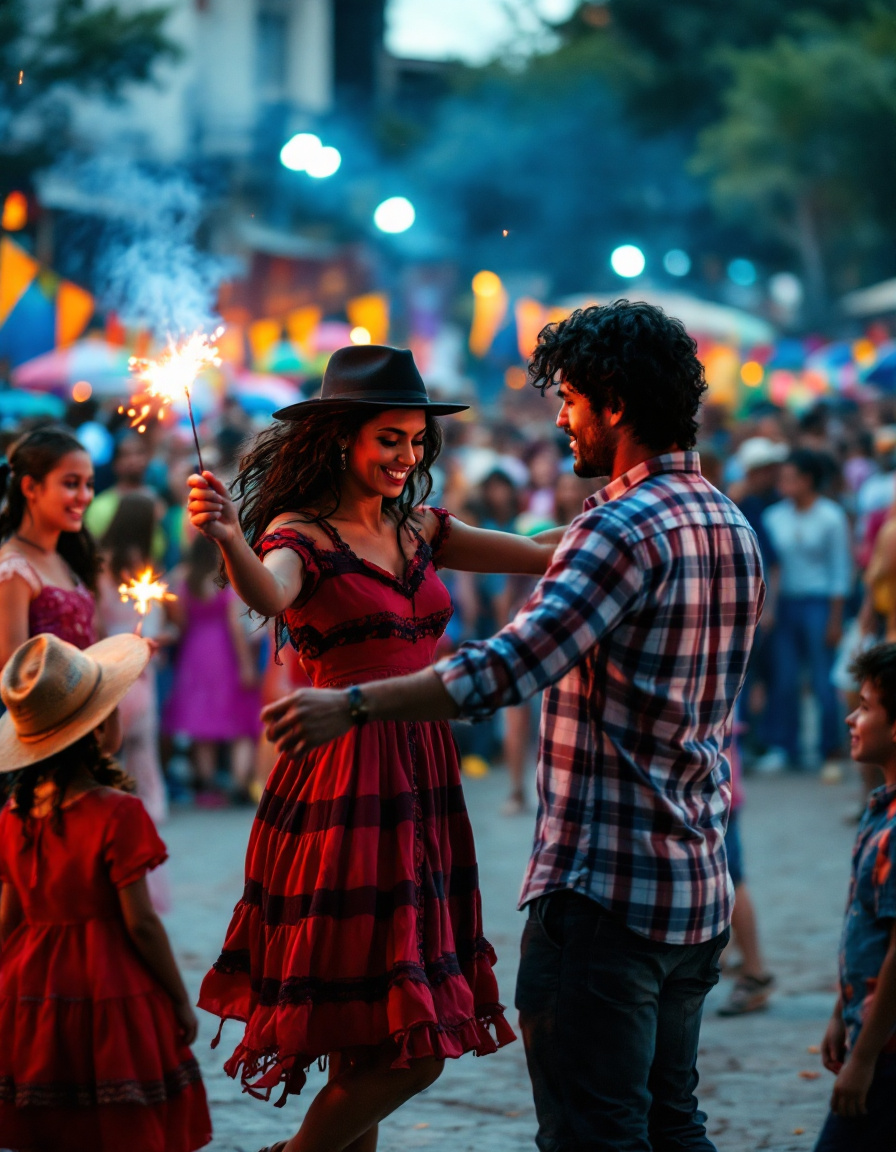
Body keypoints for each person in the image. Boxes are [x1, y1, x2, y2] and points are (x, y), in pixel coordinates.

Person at [259, 302, 766, 1152]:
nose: (560, 418)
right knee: (672, 1122)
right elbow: (271, 590)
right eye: (392, 437)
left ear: (610, 402)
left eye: (567, 399)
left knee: (593, 1133)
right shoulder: (723, 519)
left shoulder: (620, 526)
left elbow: (507, 668)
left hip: (605, 889)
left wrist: (351, 704)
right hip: (695, 883)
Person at [186, 344, 565, 1152]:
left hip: (422, 778)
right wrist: (228, 538)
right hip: (342, 786)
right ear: (342, 439)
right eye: (388, 438)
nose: (407, 455)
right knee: (412, 1046)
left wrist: (639, 503)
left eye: (415, 439)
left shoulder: (422, 527)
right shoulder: (300, 535)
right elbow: (271, 593)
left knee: (373, 1033)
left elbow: (541, 552)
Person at [0, 631, 212, 1152]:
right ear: (98, 730)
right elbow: (140, 921)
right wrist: (180, 999)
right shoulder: (117, 813)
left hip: (32, 990)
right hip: (110, 987)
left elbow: (8, 917)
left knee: (54, 1118)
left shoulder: (12, 817)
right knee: (117, 1117)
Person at [814, 643, 896, 1152]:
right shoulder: (881, 812)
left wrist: (864, 1057)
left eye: (865, 706)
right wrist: (840, 1012)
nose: (851, 716)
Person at [97, 492, 176, 909]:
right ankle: (141, 854)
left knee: (105, 762)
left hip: (105, 671)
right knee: (142, 764)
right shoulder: (142, 565)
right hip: (137, 673)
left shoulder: (98, 563)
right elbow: (159, 623)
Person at [761, 448, 853, 772]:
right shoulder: (774, 516)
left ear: (808, 480)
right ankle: (786, 746)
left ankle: (830, 747)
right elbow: (770, 568)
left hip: (819, 603)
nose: (783, 483)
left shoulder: (831, 516)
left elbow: (840, 569)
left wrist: (836, 618)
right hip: (785, 604)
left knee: (822, 679)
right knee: (785, 679)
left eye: (791, 477)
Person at [163, 531, 262, 806]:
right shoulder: (222, 579)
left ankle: (206, 787)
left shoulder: (183, 580)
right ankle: (239, 781)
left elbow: (180, 623)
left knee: (201, 721)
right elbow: (234, 625)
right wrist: (246, 665)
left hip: (194, 654)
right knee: (238, 719)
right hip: (223, 653)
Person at [0, 426, 99, 668]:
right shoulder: (12, 570)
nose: (85, 496)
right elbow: (15, 677)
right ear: (30, 488)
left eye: (89, 484)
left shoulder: (62, 556)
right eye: (72, 483)